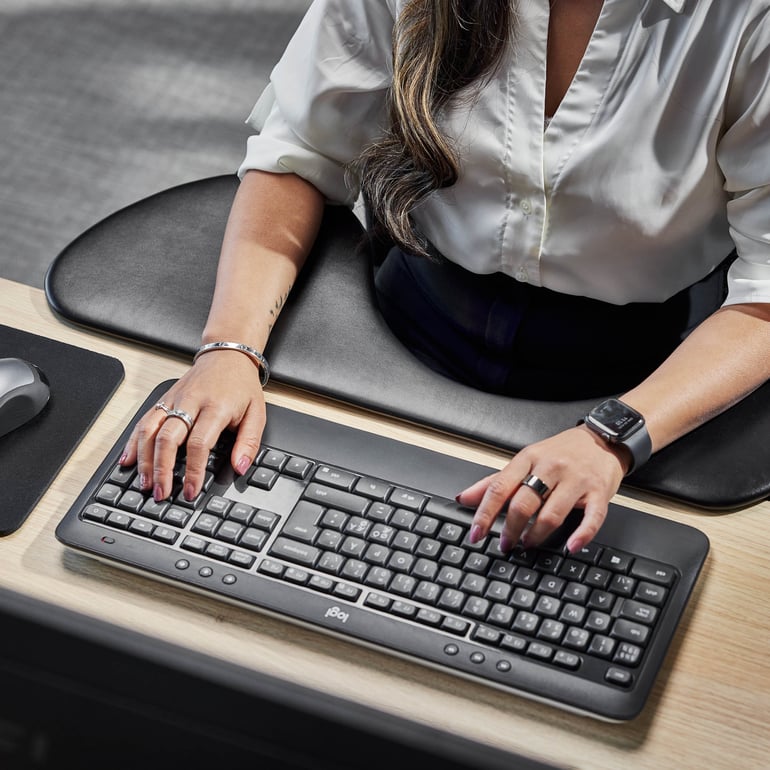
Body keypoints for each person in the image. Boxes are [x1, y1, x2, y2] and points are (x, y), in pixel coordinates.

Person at [121, 0, 770, 555]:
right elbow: (303, 151)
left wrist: (613, 439)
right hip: (409, 310)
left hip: (636, 369)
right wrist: (229, 350)